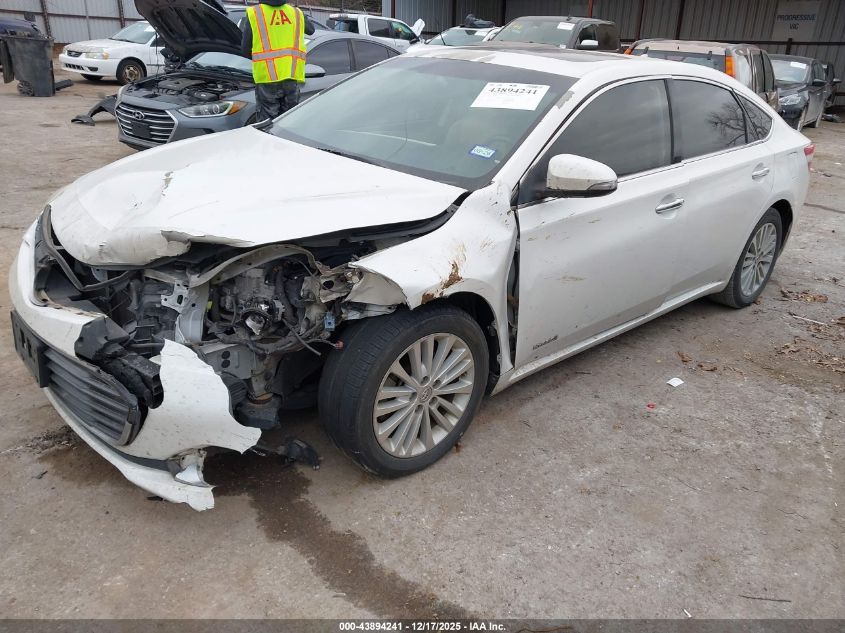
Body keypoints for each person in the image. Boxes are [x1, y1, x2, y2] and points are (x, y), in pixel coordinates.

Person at [241, 0, 315, 121]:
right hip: (290, 76)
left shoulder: (255, 12)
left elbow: (245, 49)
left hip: (267, 78)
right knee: (289, 120)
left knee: (267, 122)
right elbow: (311, 30)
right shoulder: (295, 12)